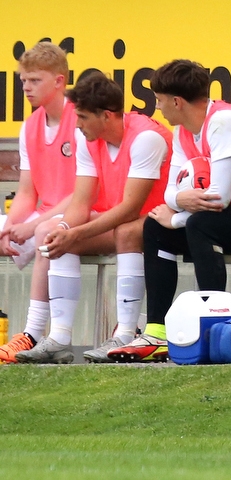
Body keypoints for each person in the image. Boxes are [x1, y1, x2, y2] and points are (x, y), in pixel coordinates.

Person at [16, 72, 172, 364]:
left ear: (108, 116)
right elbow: (81, 201)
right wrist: (64, 228)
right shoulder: (86, 136)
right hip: (123, 220)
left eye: (84, 117)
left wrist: (76, 232)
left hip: (161, 221)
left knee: (124, 231)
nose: (77, 124)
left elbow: (130, 208)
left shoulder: (146, 138)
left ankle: (125, 334)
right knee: (56, 236)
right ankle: (58, 338)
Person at [106, 60, 231, 363]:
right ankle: (157, 332)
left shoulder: (223, 121)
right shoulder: (182, 130)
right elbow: (171, 193)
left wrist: (177, 217)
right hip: (222, 216)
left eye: (159, 100)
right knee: (155, 228)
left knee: (197, 224)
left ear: (177, 101)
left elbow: (219, 199)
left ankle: (214, 325)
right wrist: (177, 209)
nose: (157, 108)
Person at [0, 42, 78, 363]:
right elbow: (27, 192)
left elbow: (85, 193)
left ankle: (31, 333)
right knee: (29, 228)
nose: (26, 88)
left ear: (59, 81)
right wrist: (8, 228)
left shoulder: (80, 118)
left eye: (34, 80)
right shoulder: (30, 125)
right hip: (46, 214)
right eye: (23, 81)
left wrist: (29, 225)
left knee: (45, 231)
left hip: (82, 213)